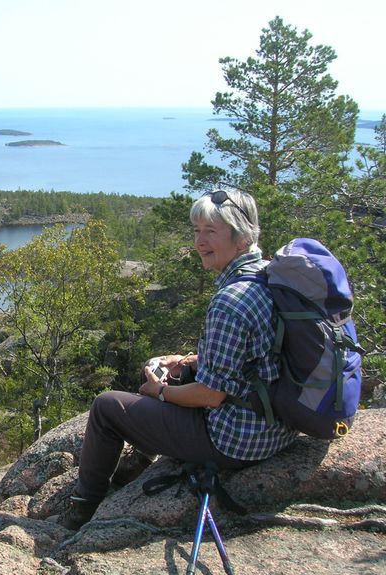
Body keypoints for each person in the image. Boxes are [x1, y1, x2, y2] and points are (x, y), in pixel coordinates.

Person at [60, 188, 298, 531]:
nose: (199, 242)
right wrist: (189, 361)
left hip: (236, 442)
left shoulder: (231, 300)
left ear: (242, 238)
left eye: (211, 231)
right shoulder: (267, 276)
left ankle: (83, 508)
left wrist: (158, 391)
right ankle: (139, 460)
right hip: (277, 426)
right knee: (175, 371)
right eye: (197, 231)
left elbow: (211, 395)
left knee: (107, 407)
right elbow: (257, 354)